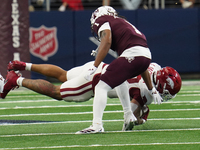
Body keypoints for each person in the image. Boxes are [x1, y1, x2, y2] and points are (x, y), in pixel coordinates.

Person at [0, 60, 181, 125]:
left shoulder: (153, 67)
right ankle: (15, 80)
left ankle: (22, 65)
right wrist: (141, 116)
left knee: (63, 74)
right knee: (57, 92)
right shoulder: (148, 93)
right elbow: (130, 118)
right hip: (95, 82)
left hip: (98, 67)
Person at [75, 6, 162, 134]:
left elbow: (107, 40)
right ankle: (128, 115)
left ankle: (97, 125)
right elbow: (142, 65)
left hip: (133, 54)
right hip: (145, 56)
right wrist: (151, 88)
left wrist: (95, 65)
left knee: (101, 86)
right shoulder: (122, 23)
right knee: (120, 80)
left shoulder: (103, 19)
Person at [107, 63, 182, 124]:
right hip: (109, 85)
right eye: (166, 93)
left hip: (110, 70)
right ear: (160, 84)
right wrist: (139, 120)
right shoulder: (146, 93)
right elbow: (129, 114)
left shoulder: (155, 67)